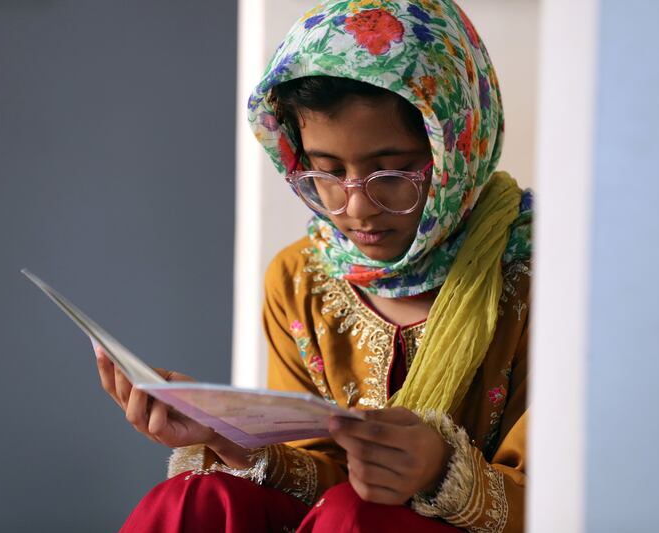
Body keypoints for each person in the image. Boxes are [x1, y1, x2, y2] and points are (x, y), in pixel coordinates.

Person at [94, 0, 532, 531]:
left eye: (392, 173)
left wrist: (440, 470)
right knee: (197, 500)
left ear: (458, 147)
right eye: (326, 173)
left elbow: (576, 498)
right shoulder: (301, 279)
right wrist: (224, 436)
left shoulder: (542, 282)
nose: (356, 207)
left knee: (357, 515)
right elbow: (322, 484)